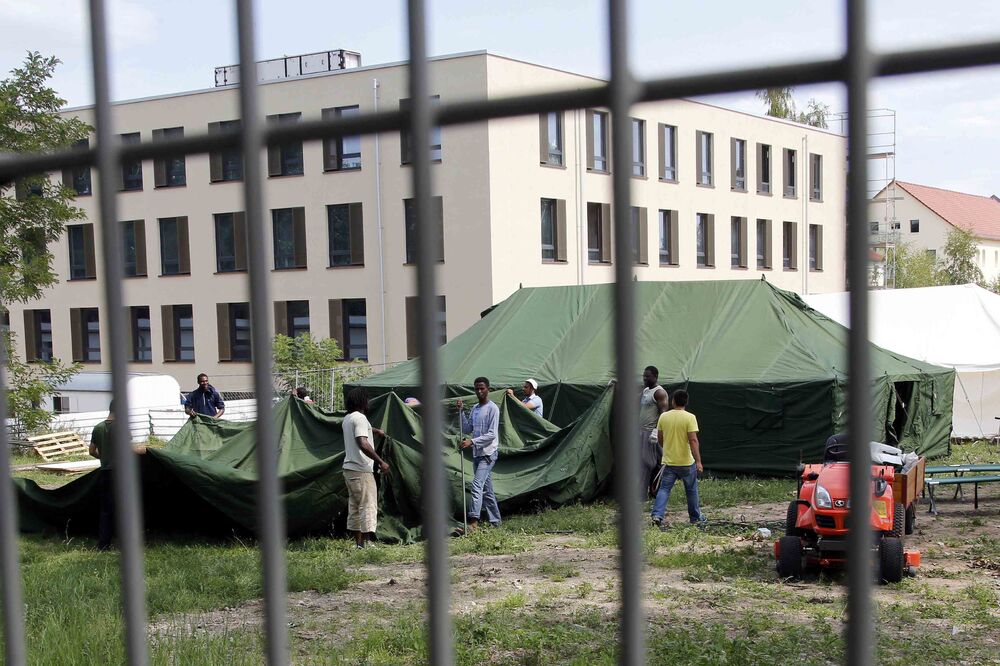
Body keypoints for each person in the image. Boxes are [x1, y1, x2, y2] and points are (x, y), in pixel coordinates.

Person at [342, 387, 389, 548]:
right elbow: (362, 442)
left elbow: (362, 431)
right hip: (361, 469)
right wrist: (380, 461)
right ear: (362, 401)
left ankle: (358, 544)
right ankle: (368, 543)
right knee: (368, 505)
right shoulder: (360, 418)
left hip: (349, 469)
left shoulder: (348, 418)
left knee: (355, 506)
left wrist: (376, 431)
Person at [650, 389, 705, 528]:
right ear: (686, 402)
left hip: (669, 462)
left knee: (664, 489)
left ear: (673, 401)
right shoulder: (690, 417)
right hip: (686, 462)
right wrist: (698, 461)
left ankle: (657, 515)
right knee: (691, 490)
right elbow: (693, 440)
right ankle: (695, 518)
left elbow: (661, 439)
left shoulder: (664, 417)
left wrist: (667, 448)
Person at [456, 376, 501, 531]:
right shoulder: (475, 409)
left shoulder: (493, 409)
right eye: (477, 388)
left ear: (488, 389)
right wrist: (461, 412)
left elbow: (491, 435)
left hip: (488, 454)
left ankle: (473, 522)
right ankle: (496, 522)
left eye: (482, 388)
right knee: (487, 491)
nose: (479, 391)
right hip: (477, 454)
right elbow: (468, 428)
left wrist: (472, 442)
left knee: (476, 485)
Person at [639, 366, 669, 496]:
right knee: (653, 461)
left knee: (649, 462)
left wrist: (657, 431)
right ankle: (653, 490)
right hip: (642, 431)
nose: (645, 378)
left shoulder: (659, 393)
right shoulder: (646, 390)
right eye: (644, 376)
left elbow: (663, 413)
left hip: (651, 432)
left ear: (655, 376)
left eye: (648, 376)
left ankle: (649, 491)